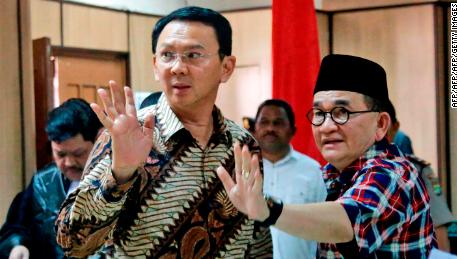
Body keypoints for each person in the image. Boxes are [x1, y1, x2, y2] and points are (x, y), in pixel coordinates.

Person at [55, 6, 271, 258]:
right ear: (155, 65)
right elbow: (71, 242)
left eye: (193, 55)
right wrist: (120, 172)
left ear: (226, 67)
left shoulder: (242, 144)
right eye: (167, 55)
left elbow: (256, 235)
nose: (178, 67)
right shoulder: (129, 137)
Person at [217, 54, 437, 258]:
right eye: (320, 114)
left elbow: (345, 222)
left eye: (342, 113)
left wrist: (269, 211)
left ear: (380, 124)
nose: (326, 127)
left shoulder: (393, 173)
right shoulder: (328, 174)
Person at [0, 98, 103, 259]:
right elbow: (16, 227)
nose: (68, 163)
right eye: (60, 154)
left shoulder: (120, 178)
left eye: (78, 154)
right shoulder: (44, 182)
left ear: (99, 140)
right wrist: (17, 246)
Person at [254, 99, 327, 258]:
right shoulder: (243, 169)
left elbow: (325, 228)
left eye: (278, 123)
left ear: (292, 131)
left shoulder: (313, 171)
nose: (270, 128)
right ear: (254, 130)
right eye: (264, 122)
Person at [386, 100, 455, 252]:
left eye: (384, 125)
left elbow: (438, 224)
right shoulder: (337, 174)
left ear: (394, 127)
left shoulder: (418, 171)